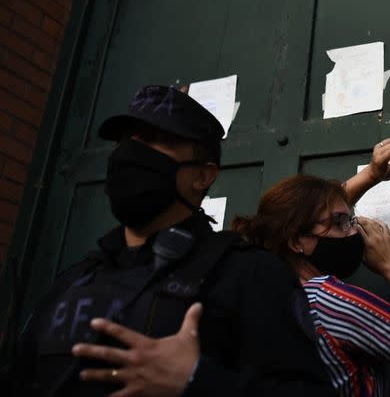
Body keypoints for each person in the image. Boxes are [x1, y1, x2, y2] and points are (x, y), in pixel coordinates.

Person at [8, 85, 336, 396]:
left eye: (154, 140)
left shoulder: (249, 274)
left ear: (203, 175)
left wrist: (198, 380)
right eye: (126, 141)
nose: (130, 154)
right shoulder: (74, 280)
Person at [233, 172, 390, 397]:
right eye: (341, 222)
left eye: (350, 219)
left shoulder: (265, 295)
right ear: (296, 241)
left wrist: (372, 174)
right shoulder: (325, 299)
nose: (355, 231)